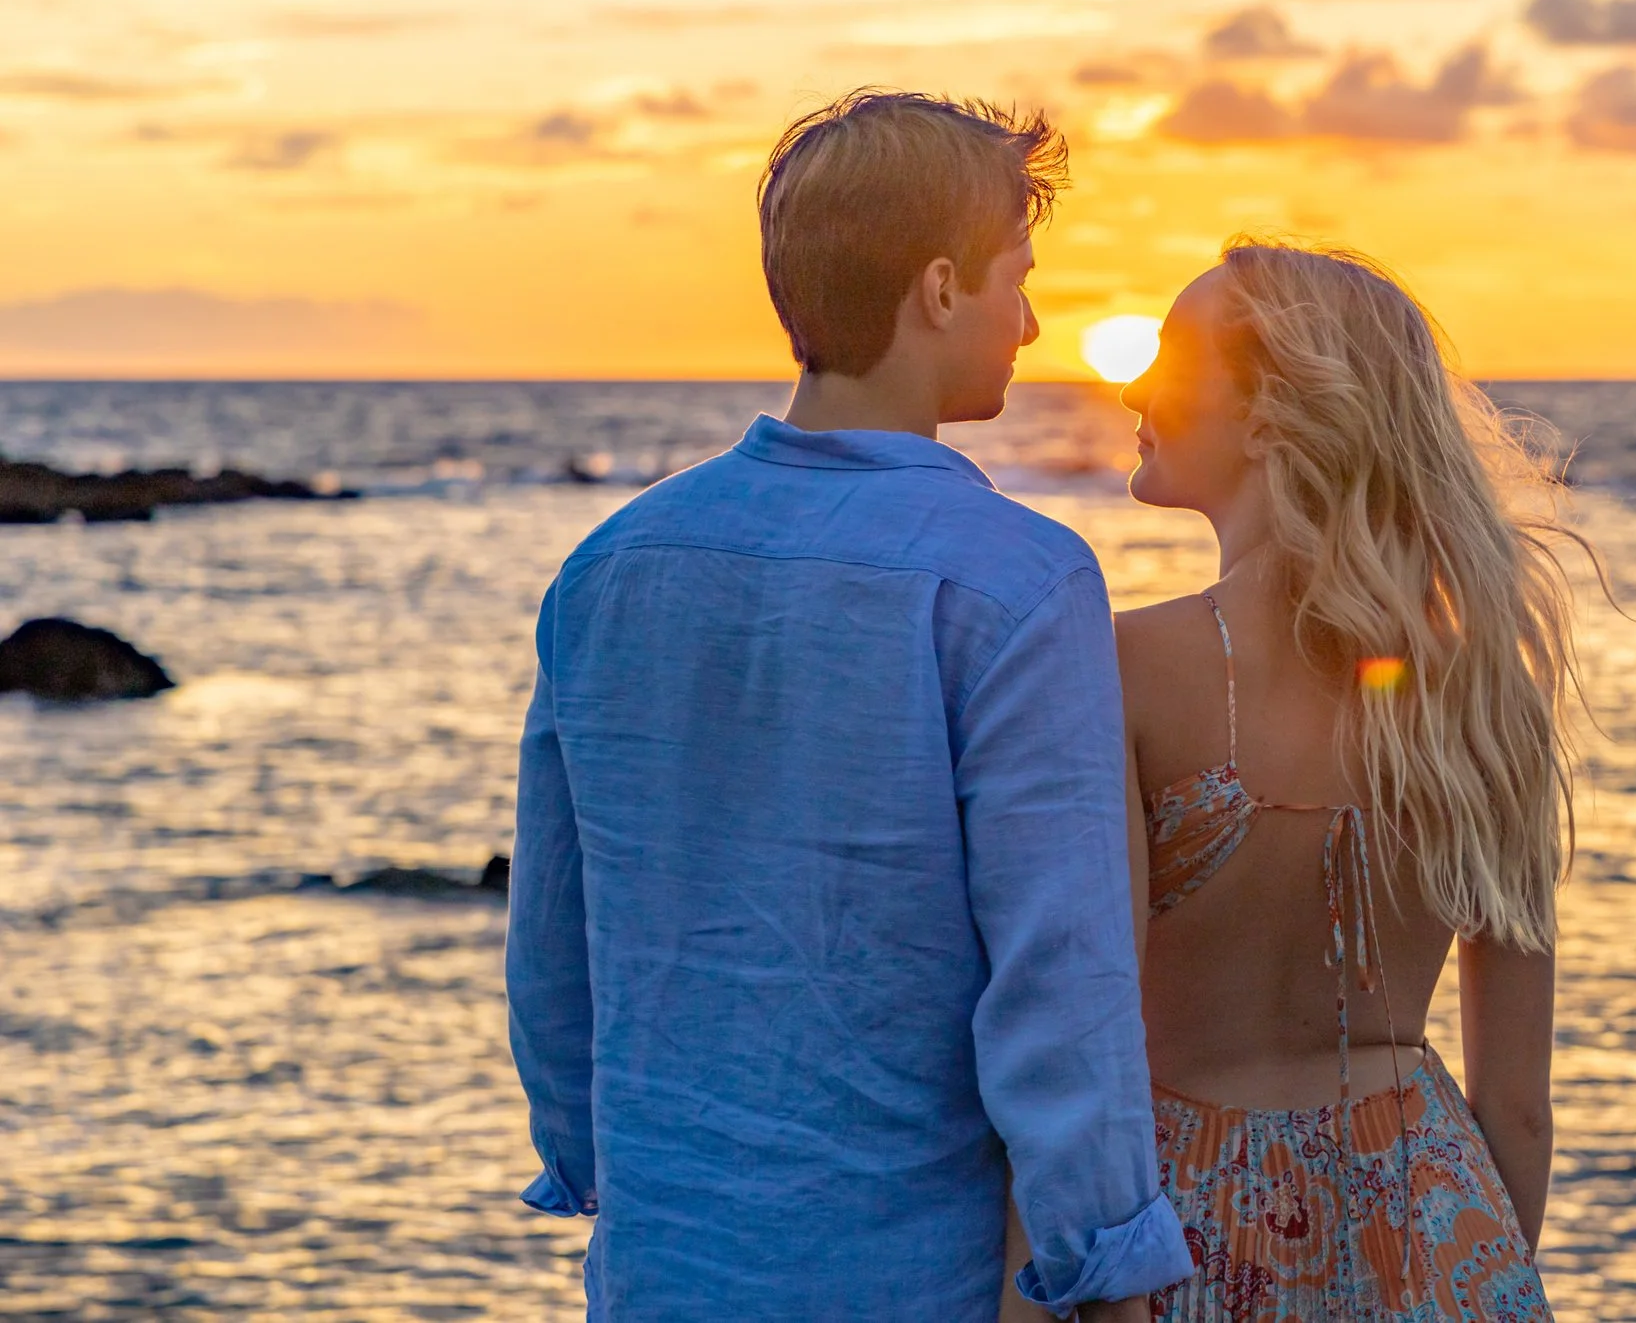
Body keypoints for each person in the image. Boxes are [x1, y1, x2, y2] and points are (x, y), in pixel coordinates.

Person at [505, 91, 1191, 1322]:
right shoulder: (1018, 580)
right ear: (938, 288)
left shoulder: (608, 566)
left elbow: (555, 945)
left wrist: (596, 1164)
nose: (1031, 322)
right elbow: (1058, 975)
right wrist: (1107, 1263)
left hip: (664, 1266)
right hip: (903, 1275)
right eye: (1015, 278)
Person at [1113, 240, 1580, 1320]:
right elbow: (1516, 1106)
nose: (1134, 388)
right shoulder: (1481, 696)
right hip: (1436, 1222)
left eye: (1172, 359)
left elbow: (1072, 1037)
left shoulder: (1119, 668)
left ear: (1272, 409)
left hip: (1190, 1225)